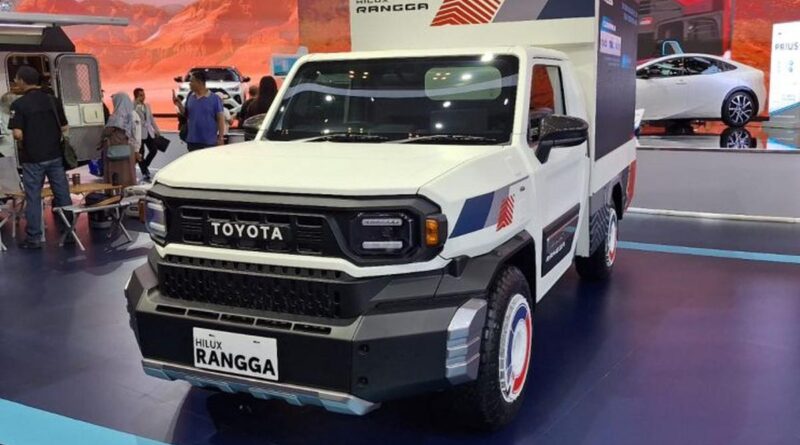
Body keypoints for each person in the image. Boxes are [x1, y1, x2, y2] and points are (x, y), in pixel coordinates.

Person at [7, 65, 72, 249]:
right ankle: (68, 232)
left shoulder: (18, 104)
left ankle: (34, 238)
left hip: (33, 159)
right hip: (55, 156)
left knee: (34, 197)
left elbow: (17, 134)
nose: (16, 82)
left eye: (17, 79)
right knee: (62, 194)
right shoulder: (53, 100)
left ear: (22, 81)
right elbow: (65, 127)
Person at [173, 70, 225, 151]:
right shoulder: (190, 96)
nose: (189, 84)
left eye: (191, 81)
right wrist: (179, 104)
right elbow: (186, 114)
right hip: (192, 141)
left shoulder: (215, 99)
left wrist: (220, 137)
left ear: (199, 82)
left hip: (209, 141)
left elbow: (220, 119)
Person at [102, 92, 141, 187]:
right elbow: (136, 134)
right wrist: (136, 150)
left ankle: (114, 192)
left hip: (113, 151)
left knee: (115, 176)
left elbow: (107, 132)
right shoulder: (133, 115)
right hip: (128, 150)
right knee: (128, 172)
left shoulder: (115, 117)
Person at [133, 87, 160, 182]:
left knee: (154, 150)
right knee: (141, 153)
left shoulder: (147, 105)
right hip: (138, 134)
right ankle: (145, 172)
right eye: (141, 95)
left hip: (148, 132)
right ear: (136, 96)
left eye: (144, 95)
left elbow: (151, 119)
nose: (143, 97)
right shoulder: (132, 106)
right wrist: (135, 105)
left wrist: (156, 130)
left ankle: (144, 166)